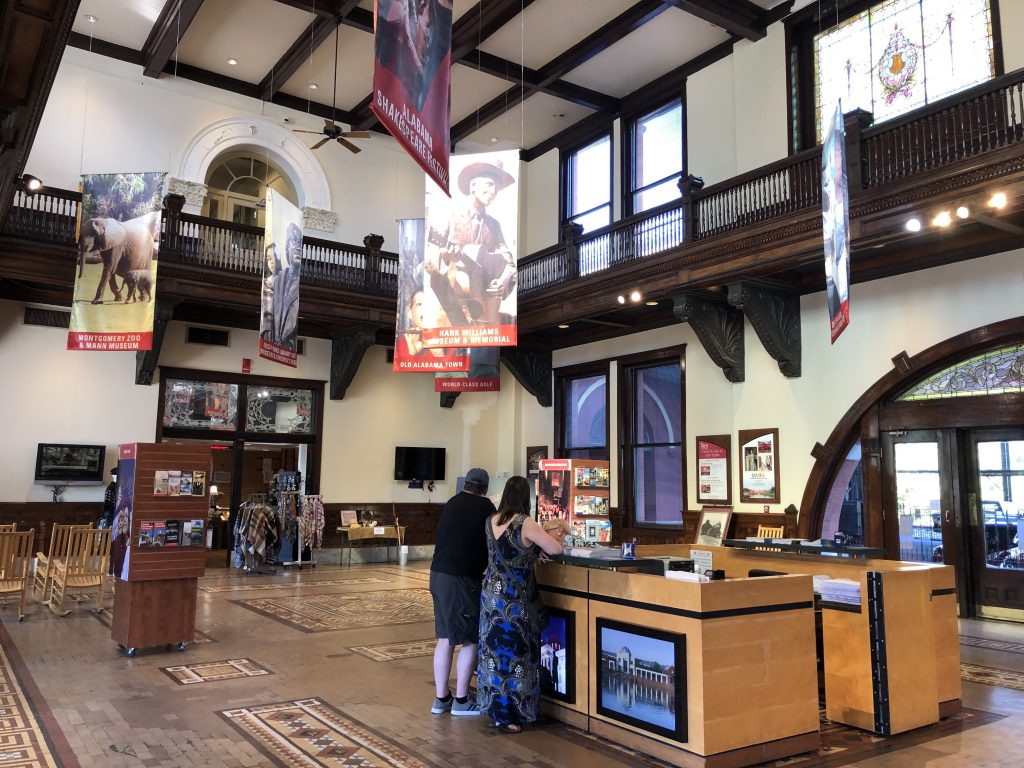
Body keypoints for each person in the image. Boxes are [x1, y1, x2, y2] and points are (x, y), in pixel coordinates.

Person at [476, 475, 565, 733]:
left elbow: (506, 551)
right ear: (526, 497)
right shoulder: (524, 522)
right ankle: (513, 715)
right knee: (516, 656)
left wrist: (534, 553)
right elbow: (556, 549)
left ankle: (496, 713)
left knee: (493, 655)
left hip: (492, 597)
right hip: (515, 601)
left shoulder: (490, 521)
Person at [429, 467, 495, 716]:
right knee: (471, 639)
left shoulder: (452, 502)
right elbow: (495, 538)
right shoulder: (485, 507)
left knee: (445, 638)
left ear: (465, 484)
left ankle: (441, 698)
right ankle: (462, 700)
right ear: (485, 488)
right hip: (461, 578)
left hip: (437, 575)